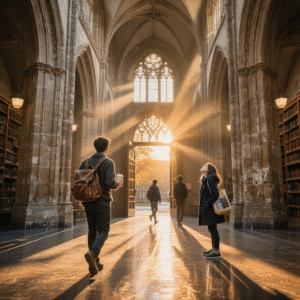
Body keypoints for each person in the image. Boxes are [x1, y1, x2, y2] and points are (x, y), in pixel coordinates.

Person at [79, 136, 123, 276]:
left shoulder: (84, 162)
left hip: (88, 202)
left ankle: (95, 262)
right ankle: (93, 253)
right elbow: (110, 183)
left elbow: (78, 182)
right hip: (102, 202)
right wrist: (118, 184)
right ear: (106, 148)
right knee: (103, 230)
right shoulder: (108, 162)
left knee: (92, 231)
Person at [199, 163, 224, 259]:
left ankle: (216, 251)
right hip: (209, 209)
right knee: (211, 229)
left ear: (208, 169)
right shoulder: (206, 179)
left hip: (211, 209)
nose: (203, 166)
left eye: (205, 165)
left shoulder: (209, 178)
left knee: (213, 229)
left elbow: (215, 194)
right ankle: (214, 248)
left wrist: (207, 203)